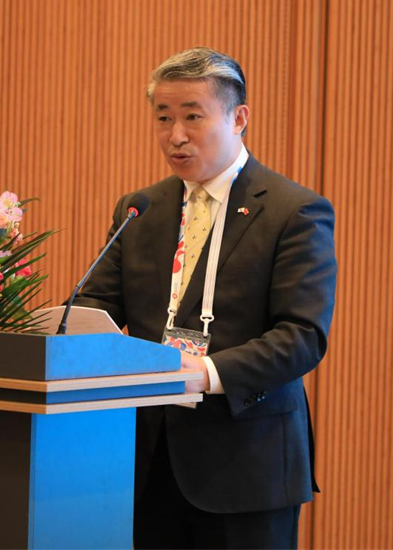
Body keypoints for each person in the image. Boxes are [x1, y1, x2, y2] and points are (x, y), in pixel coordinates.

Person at [74, 47, 337, 549]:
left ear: (239, 118)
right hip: (146, 461)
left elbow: (302, 336)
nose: (175, 135)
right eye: (163, 117)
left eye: (192, 116)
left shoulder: (294, 211)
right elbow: (94, 309)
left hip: (246, 463)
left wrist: (208, 373)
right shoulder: (140, 209)